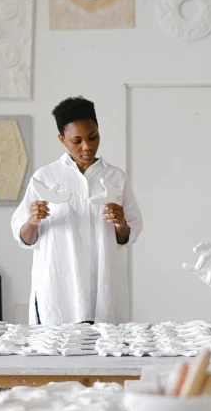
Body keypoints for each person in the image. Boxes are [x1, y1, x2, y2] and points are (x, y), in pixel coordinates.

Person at [11, 96, 143, 326]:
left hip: (103, 289)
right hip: (58, 290)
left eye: (93, 137)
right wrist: (33, 221)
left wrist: (121, 223)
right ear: (62, 139)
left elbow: (127, 236)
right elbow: (24, 238)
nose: (87, 147)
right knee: (57, 354)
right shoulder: (45, 178)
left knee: (107, 351)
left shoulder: (116, 178)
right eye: (77, 140)